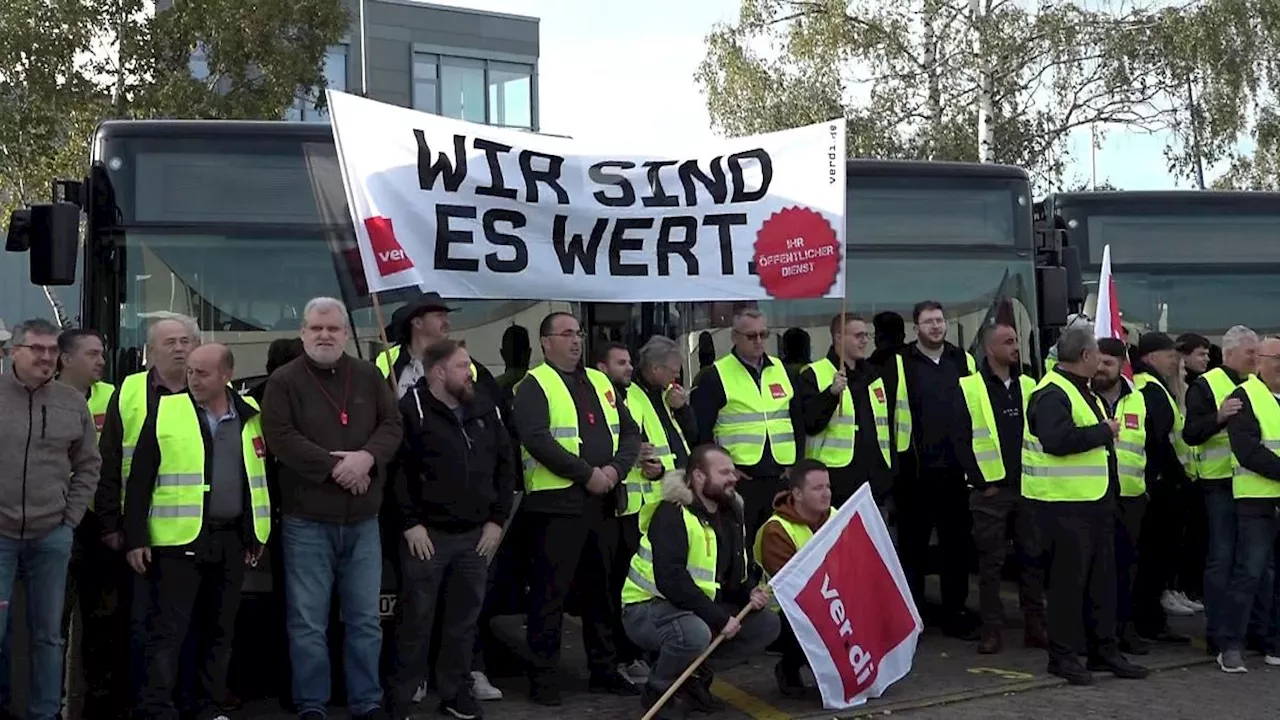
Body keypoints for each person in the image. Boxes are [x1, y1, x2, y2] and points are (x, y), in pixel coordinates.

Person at [261, 297, 403, 720]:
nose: (325, 335)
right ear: (303, 332)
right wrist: (336, 468)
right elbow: (280, 437)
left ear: (345, 333)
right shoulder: (284, 382)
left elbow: (392, 425)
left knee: (365, 621)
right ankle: (312, 703)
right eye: (316, 328)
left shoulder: (367, 375)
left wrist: (366, 459)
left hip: (363, 522)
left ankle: (367, 700)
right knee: (308, 623)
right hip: (307, 521)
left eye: (333, 329)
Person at [123, 343, 271, 719]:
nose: (193, 379)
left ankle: (206, 706)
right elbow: (140, 479)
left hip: (232, 539)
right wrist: (136, 537)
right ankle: (157, 709)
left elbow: (256, 478)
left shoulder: (250, 416)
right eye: (190, 371)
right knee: (169, 632)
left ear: (226, 376)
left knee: (220, 631)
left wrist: (256, 533)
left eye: (202, 373)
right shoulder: (167, 410)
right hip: (178, 541)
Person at [511, 311, 641, 705]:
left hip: (602, 503)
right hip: (557, 507)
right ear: (545, 342)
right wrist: (586, 474)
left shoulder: (600, 380)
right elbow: (536, 438)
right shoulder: (534, 384)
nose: (575, 340)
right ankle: (544, 676)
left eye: (578, 333)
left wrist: (615, 471)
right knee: (551, 593)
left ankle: (603, 669)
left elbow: (630, 432)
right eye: (566, 334)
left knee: (601, 592)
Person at [389, 339, 516, 720]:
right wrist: (410, 523)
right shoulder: (411, 409)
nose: (470, 372)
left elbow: (505, 463)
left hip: (477, 536)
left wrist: (497, 519)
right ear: (439, 372)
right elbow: (397, 472)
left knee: (463, 622)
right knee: (416, 620)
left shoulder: (484, 407)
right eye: (463, 366)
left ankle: (455, 693)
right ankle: (401, 696)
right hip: (428, 536)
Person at [1023, 326, 1147, 684]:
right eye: (1096, 353)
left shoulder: (1082, 391)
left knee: (1101, 584)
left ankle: (1103, 651)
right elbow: (1055, 440)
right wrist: (1103, 432)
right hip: (1064, 507)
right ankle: (1062, 656)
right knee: (1067, 586)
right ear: (1085, 357)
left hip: (1095, 503)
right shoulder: (1051, 393)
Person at [621, 444, 780, 719]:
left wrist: (749, 593)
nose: (733, 477)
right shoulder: (672, 513)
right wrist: (719, 618)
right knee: (694, 634)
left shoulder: (731, 513)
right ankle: (658, 690)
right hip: (646, 607)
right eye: (724, 472)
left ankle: (692, 676)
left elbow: (731, 576)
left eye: (732, 471)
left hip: (692, 607)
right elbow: (672, 581)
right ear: (698, 477)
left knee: (766, 624)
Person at [0, 318, 101, 720]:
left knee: (48, 636)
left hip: (51, 536)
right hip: (0, 535)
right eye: (36, 349)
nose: (46, 357)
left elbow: (89, 465)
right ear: (13, 353)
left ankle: (45, 713)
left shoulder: (71, 401)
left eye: (51, 350)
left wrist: (69, 518)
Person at [953, 323, 1045, 654]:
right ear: (990, 348)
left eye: (1017, 340)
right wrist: (982, 482)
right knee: (990, 564)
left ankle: (1035, 626)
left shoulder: (1031, 385)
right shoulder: (968, 387)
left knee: (1032, 559)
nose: (1016, 346)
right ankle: (991, 630)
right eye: (1008, 341)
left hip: (1028, 487)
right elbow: (961, 440)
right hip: (990, 492)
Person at [896, 300, 979, 640]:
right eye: (928, 321)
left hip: (955, 472)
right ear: (916, 327)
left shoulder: (963, 360)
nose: (935, 327)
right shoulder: (901, 362)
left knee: (956, 547)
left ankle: (954, 612)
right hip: (915, 473)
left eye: (940, 320)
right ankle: (914, 615)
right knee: (913, 548)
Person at [56, 328, 127, 718]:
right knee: (54, 621)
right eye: (93, 354)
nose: (102, 360)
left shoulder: (114, 397)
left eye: (102, 353)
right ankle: (51, 702)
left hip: (100, 520)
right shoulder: (43, 397)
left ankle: (101, 704)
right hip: (57, 519)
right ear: (66, 359)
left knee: (104, 617)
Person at [690, 308, 801, 549]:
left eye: (764, 334)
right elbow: (703, 433)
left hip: (780, 475)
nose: (759, 341)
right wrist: (723, 472)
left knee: (780, 545)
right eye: (751, 336)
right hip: (740, 480)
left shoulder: (783, 370)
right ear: (734, 336)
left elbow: (796, 421)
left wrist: (795, 463)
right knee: (743, 545)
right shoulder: (715, 375)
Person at [1183, 325, 1261, 655]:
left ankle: (1252, 631)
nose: (1255, 359)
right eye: (1250, 353)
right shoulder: (1206, 385)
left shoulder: (1257, 386)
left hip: (1255, 484)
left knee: (1253, 562)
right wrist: (1218, 417)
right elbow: (1191, 433)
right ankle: (1217, 634)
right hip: (1219, 484)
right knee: (1222, 558)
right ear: (1229, 353)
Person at [97, 314, 200, 549]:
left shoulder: (217, 390)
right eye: (170, 342)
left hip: (201, 529)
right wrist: (110, 525)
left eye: (185, 342)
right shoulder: (128, 392)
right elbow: (108, 462)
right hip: (139, 525)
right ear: (151, 351)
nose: (179, 349)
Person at [595, 341, 661, 684]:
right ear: (602, 368)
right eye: (621, 363)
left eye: (630, 362)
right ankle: (611, 662)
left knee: (632, 589)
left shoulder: (637, 396)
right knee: (605, 592)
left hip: (637, 510)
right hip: (604, 508)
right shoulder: (593, 395)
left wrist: (657, 467)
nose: (629, 368)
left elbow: (660, 444)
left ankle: (632, 654)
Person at [1218, 336, 1280, 673]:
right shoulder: (1244, 397)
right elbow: (1247, 450)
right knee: (1250, 574)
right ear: (1259, 361)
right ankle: (1231, 646)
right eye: (1275, 358)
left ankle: (1273, 643)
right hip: (1256, 499)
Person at [1129, 333, 1195, 644]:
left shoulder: (1156, 387)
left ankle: (1150, 618)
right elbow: (1158, 439)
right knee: (1153, 557)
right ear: (1149, 357)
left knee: (1156, 557)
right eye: (1169, 354)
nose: (1174, 360)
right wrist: (1175, 474)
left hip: (1163, 484)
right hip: (1160, 487)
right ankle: (1149, 621)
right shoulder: (1149, 388)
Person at [1089, 338, 1153, 655]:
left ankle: (1125, 629)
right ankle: (1099, 634)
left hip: (1131, 496)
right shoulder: (1084, 398)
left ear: (1121, 366)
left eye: (1108, 363)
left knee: (1127, 567)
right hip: (1095, 496)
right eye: (1098, 362)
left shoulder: (1139, 400)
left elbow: (1149, 445)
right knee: (1097, 570)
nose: (1101, 369)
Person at [796, 313, 894, 509]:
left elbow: (885, 426)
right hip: (834, 476)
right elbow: (809, 423)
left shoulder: (873, 375)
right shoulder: (813, 374)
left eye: (867, 335)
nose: (865, 341)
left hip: (874, 477)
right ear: (838, 337)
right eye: (858, 336)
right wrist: (831, 394)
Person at [754, 458, 834, 697]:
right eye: (818, 488)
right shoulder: (776, 530)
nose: (826, 494)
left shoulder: (837, 516)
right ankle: (789, 666)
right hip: (783, 613)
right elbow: (794, 588)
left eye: (828, 486)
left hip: (829, 599)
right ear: (797, 494)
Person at [375, 291, 502, 405]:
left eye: (446, 316)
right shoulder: (386, 360)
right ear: (417, 323)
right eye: (439, 316)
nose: (447, 322)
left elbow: (493, 409)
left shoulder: (467, 364)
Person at [1173, 332, 1213, 611]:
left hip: (1195, 472)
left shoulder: (1193, 386)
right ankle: (1181, 587)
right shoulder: (1183, 388)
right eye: (1200, 354)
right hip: (1182, 475)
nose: (1206, 359)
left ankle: (1186, 588)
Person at [632, 336, 696, 477]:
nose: (677, 376)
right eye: (674, 371)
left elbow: (693, 436)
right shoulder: (629, 395)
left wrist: (682, 409)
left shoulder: (668, 393)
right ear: (656, 369)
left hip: (678, 481)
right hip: (652, 488)